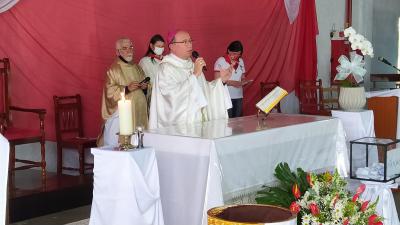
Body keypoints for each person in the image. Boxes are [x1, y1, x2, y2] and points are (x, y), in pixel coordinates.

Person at [149, 30, 233, 129]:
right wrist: (194, 75)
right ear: (172, 46)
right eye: (185, 42)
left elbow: (205, 91)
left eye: (190, 41)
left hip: (199, 126)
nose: (190, 45)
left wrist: (221, 81)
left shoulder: (193, 65)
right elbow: (171, 97)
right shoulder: (166, 68)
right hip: (180, 130)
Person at [97, 38, 148, 146]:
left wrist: (144, 87)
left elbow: (145, 84)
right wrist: (126, 88)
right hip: (122, 114)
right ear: (117, 52)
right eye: (124, 48)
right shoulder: (114, 69)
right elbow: (109, 92)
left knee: (139, 144)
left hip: (139, 110)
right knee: (120, 145)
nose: (129, 51)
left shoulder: (137, 67)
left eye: (131, 47)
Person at [214, 41, 251, 118]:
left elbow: (242, 76)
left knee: (239, 123)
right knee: (228, 122)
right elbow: (216, 80)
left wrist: (244, 81)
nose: (236, 56)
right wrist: (232, 83)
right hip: (226, 97)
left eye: (238, 54)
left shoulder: (241, 61)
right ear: (228, 50)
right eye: (234, 53)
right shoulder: (221, 61)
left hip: (238, 96)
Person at [139, 34, 165, 108]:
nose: (161, 48)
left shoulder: (166, 60)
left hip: (167, 98)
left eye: (162, 46)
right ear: (151, 46)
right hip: (154, 99)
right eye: (158, 46)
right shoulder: (145, 61)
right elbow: (142, 82)